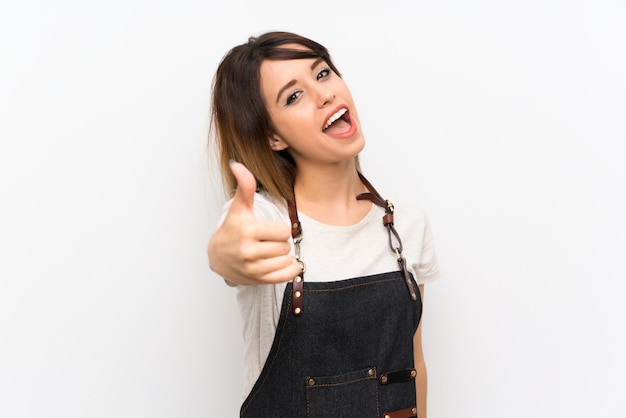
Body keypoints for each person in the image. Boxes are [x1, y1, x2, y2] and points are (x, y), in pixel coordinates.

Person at [207, 31, 440, 418]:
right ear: (273, 137)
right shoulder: (265, 220)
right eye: (293, 96)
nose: (325, 94)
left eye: (323, 73)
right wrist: (225, 253)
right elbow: (227, 251)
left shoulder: (406, 223)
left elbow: (413, 366)